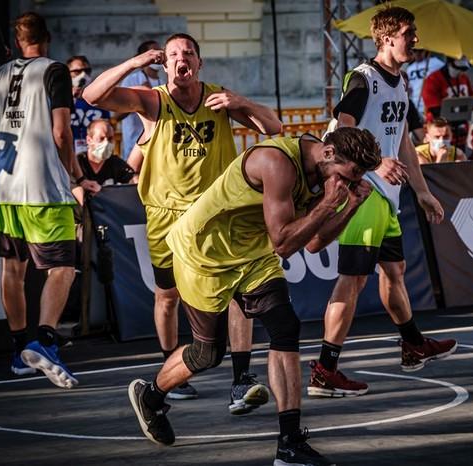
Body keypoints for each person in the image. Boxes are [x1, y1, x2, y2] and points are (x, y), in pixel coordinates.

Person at [127, 126, 379, 465]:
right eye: (350, 175)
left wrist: (350, 206)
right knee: (207, 353)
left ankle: (289, 444)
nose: (349, 183)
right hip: (205, 253)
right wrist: (327, 206)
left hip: (253, 255)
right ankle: (151, 396)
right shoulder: (276, 162)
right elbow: (284, 244)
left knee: (286, 328)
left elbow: (314, 242)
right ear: (330, 153)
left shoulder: (325, 173)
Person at [83, 33, 282, 408]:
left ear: (199, 62)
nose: (181, 58)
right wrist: (134, 63)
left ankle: (241, 379)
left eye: (188, 53)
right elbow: (92, 96)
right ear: (164, 64)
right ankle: (171, 370)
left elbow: (273, 128)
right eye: (173, 54)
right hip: (167, 217)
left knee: (237, 291)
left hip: (215, 212)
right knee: (167, 295)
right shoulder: (153, 101)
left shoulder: (217, 98)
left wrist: (241, 102)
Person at [309, 6, 456, 399]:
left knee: (395, 270)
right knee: (353, 279)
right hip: (362, 191)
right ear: (387, 38)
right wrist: (375, 163)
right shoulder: (363, 79)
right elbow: (341, 134)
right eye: (409, 33)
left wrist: (421, 191)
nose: (415, 39)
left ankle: (413, 344)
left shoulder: (400, 81)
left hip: (385, 194)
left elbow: (403, 140)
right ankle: (325, 369)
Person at [0, 11, 99, 388]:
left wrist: (5, 145)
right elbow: (61, 133)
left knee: (13, 269)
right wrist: (78, 176)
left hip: (7, 190)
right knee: (63, 268)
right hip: (45, 189)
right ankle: (46, 342)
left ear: (17, 41)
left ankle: (19, 350)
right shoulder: (55, 70)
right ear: (47, 37)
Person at [422, 56, 473, 150]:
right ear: (450, 62)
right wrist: (455, 119)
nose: (460, 72)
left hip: (461, 134)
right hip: (441, 135)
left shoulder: (463, 78)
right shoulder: (433, 79)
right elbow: (435, 110)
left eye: (463, 70)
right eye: (458, 69)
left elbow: (471, 106)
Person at [119, 40, 166, 162]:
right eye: (154, 51)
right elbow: (118, 113)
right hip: (134, 140)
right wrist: (141, 99)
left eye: (160, 50)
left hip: (158, 143)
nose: (159, 54)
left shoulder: (164, 82)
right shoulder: (131, 80)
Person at [71, 119, 135, 207]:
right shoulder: (78, 164)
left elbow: (133, 182)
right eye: (101, 138)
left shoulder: (116, 163)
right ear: (89, 140)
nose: (106, 143)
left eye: (110, 139)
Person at [67, 55, 111, 155]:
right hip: (68, 154)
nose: (83, 75)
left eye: (87, 71)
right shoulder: (60, 100)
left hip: (93, 155)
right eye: (77, 71)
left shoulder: (99, 99)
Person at [405, 48, 444, 115]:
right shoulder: (410, 68)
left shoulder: (436, 62)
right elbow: (410, 88)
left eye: (420, 51)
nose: (418, 53)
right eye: (415, 51)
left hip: (432, 105)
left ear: (425, 51)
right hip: (416, 105)